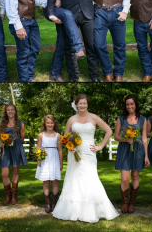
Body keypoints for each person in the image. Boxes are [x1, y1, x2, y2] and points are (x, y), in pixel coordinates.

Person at [52, 94, 119, 222]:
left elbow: (109, 131)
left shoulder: (93, 117)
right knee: (75, 179)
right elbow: (65, 138)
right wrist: (69, 146)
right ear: (76, 105)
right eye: (80, 103)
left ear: (87, 104)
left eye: (84, 103)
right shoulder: (71, 119)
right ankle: (73, 210)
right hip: (74, 152)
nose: (82, 105)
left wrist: (100, 146)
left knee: (90, 178)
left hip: (89, 153)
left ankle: (93, 210)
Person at [35, 0, 85, 82]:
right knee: (68, 14)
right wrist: (50, 2)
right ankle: (79, 47)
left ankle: (54, 73)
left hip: (63, 9)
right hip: (50, 9)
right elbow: (36, 0)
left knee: (62, 41)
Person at [114, 94, 150, 214]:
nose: (129, 106)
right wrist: (126, 140)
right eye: (127, 104)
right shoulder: (121, 119)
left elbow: (144, 138)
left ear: (135, 105)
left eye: (131, 104)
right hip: (124, 149)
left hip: (138, 150)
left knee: (135, 176)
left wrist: (146, 156)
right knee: (125, 178)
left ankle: (132, 203)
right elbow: (116, 136)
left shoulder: (143, 119)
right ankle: (125, 202)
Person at [0, 104, 27, 205]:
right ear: (6, 112)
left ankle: (14, 195)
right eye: (8, 110)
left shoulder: (21, 124)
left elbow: (22, 139)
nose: (10, 111)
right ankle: (8, 195)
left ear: (15, 111)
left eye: (12, 110)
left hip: (16, 149)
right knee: (4, 174)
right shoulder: (2, 124)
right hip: (5, 150)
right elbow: (0, 136)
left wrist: (15, 143)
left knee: (15, 172)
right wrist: (2, 142)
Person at [35, 115, 63, 213]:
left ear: (54, 124)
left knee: (54, 181)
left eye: (51, 123)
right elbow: (38, 149)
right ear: (45, 124)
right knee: (46, 181)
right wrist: (39, 160)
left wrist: (61, 163)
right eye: (48, 123)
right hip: (45, 159)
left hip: (54, 158)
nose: (50, 124)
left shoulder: (58, 135)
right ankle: (47, 204)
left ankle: (54, 204)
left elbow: (60, 149)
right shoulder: (41, 135)